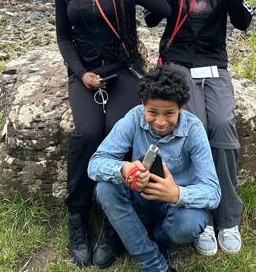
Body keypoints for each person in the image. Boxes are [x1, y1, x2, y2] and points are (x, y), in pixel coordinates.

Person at [55, 0, 172, 267]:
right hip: (86, 74)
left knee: (119, 134)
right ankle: (78, 214)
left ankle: (112, 223)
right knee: (88, 133)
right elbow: (64, 38)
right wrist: (81, 74)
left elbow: (163, 9)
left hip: (122, 70)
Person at [145, 0, 253, 256]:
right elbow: (151, 18)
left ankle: (228, 216)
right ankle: (200, 213)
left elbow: (244, 21)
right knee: (194, 127)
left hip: (213, 62)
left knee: (221, 124)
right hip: (177, 61)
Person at [88, 65, 221, 272]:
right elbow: (95, 164)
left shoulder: (193, 129)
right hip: (138, 196)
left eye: (169, 113)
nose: (160, 122)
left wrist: (176, 194)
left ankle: (156, 237)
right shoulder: (134, 118)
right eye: (152, 112)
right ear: (143, 104)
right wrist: (124, 169)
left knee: (191, 223)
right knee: (105, 189)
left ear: (181, 108)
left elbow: (213, 192)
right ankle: (152, 261)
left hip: (173, 206)